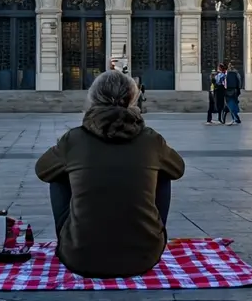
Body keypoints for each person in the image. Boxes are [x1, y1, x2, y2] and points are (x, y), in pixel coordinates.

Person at [35, 70, 185, 279]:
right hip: (144, 257)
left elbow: (42, 170)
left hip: (79, 257)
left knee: (57, 174)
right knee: (164, 172)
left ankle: (74, 238)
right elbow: (178, 169)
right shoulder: (151, 139)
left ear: (93, 98)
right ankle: (150, 234)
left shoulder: (74, 139)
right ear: (132, 98)